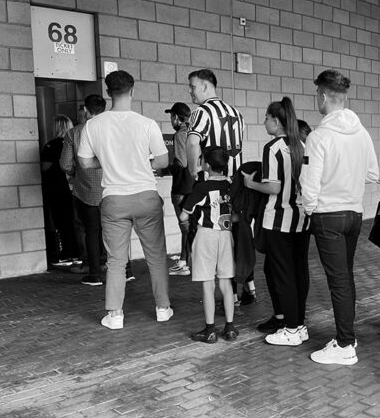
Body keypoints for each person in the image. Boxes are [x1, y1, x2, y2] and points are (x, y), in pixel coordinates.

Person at [78, 70, 173, 330]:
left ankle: (115, 314)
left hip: (114, 200)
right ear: (133, 91)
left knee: (117, 260)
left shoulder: (93, 125)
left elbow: (84, 163)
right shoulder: (147, 123)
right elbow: (164, 161)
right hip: (146, 197)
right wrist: (143, 160)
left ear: (108, 93)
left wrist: (107, 161)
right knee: (156, 256)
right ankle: (163, 308)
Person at [301, 69, 379, 365]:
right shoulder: (362, 132)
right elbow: (372, 173)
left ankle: (345, 344)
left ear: (322, 96)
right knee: (345, 277)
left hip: (328, 216)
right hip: (354, 214)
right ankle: (348, 335)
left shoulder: (319, 136)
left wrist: (311, 209)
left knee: (338, 280)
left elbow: (310, 184)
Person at [243, 97, 310, 346]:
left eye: (266, 118)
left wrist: (250, 184)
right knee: (299, 272)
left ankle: (290, 328)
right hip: (301, 218)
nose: (263, 122)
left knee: (282, 275)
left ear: (276, 121)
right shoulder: (301, 144)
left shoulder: (273, 148)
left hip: (279, 220)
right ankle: (299, 325)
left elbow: (273, 187)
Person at [185, 68, 252, 304]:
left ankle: (228, 295)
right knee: (234, 235)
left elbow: (193, 142)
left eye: (193, 86)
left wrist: (194, 171)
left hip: (213, 187)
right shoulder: (236, 113)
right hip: (235, 185)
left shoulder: (201, 112)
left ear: (205, 86)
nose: (190, 91)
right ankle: (248, 286)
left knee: (213, 237)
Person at [181, 146, 238, 343]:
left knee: (207, 282)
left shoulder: (202, 187)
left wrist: (185, 223)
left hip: (206, 235)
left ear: (207, 164)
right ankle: (230, 328)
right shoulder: (231, 185)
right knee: (225, 281)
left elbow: (184, 214)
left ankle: (210, 330)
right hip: (226, 234)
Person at [60, 95, 108, 285]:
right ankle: (126, 271)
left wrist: (76, 171)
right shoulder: (113, 130)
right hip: (112, 189)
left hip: (86, 191)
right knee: (115, 231)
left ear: (86, 111)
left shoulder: (74, 133)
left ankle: (94, 274)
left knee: (91, 231)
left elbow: (64, 163)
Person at [42, 114, 79, 264]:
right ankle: (78, 254)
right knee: (75, 221)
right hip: (75, 187)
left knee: (61, 221)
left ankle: (66, 254)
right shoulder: (76, 143)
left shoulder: (52, 145)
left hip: (57, 189)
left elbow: (45, 166)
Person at [165, 102, 194, 277]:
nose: (171, 120)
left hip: (181, 187)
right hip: (194, 186)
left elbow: (181, 163)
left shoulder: (180, 134)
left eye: (171, 117)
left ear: (176, 117)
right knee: (192, 226)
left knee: (185, 226)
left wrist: (164, 168)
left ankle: (183, 263)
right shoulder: (195, 133)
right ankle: (186, 260)